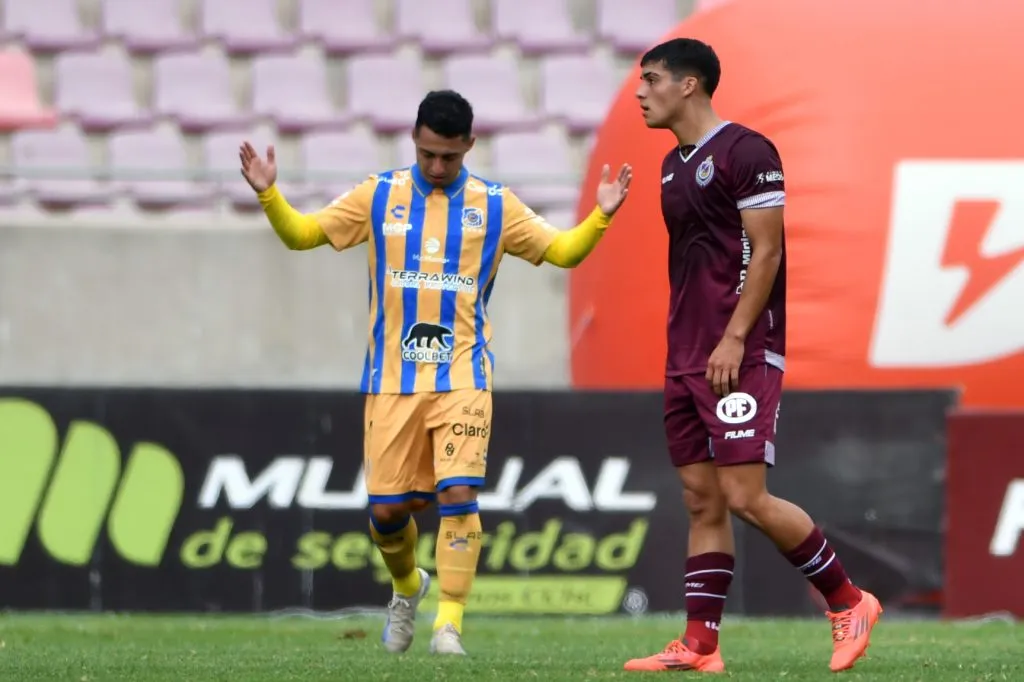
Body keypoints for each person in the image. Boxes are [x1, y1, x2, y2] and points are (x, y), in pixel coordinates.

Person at [239, 90, 632, 657]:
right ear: (414, 142)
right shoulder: (379, 195)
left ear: (469, 145)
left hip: (464, 375)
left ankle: (449, 624)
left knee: (460, 493)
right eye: (427, 154)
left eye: (448, 156)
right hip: (391, 380)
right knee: (387, 514)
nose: (437, 166)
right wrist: (269, 193)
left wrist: (601, 214)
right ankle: (407, 587)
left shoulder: (494, 205)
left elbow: (563, 251)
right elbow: (303, 235)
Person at [623, 38, 881, 674]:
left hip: (741, 348)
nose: (640, 91)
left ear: (689, 85)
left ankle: (849, 600)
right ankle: (701, 646)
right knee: (701, 500)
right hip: (686, 353)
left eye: (650, 79)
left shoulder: (748, 151)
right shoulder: (672, 164)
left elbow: (766, 252)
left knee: (743, 494)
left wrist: (735, 336)